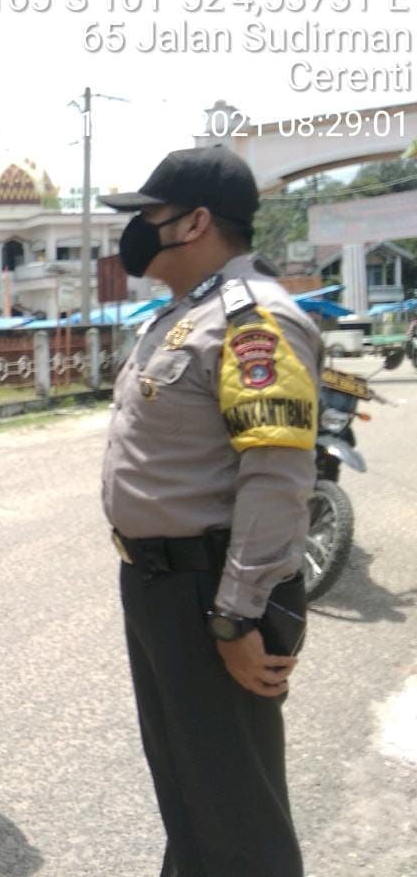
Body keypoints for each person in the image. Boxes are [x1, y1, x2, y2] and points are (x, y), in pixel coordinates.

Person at [99, 145, 322, 877]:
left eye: (150, 215)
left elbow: (276, 478)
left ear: (195, 222)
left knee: (237, 812)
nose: (136, 231)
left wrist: (236, 616)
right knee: (189, 792)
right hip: (160, 584)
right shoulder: (181, 315)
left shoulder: (253, 321)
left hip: (215, 592)